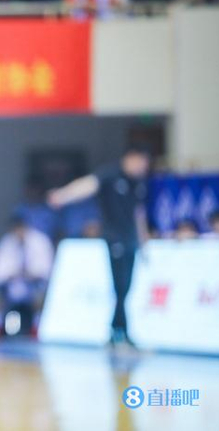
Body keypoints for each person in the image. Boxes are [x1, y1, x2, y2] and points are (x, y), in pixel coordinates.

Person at [48, 144, 151, 347]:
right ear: (131, 157)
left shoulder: (137, 183)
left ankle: (120, 330)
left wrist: (143, 239)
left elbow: (138, 213)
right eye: (142, 163)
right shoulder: (111, 175)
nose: (143, 168)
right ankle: (118, 331)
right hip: (115, 239)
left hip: (130, 240)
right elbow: (87, 185)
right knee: (120, 287)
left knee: (126, 288)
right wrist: (62, 195)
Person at [0, 215, 54, 335]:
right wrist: (12, 274)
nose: (19, 233)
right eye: (16, 229)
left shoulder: (41, 241)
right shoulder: (6, 243)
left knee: (42, 288)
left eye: (21, 229)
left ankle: (38, 327)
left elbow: (46, 271)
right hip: (12, 286)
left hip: (33, 285)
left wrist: (29, 274)